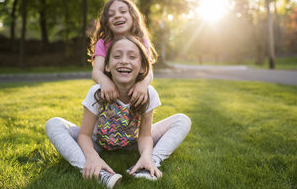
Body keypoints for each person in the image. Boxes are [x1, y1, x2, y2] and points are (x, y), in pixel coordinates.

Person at [45, 37, 191, 188]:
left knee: (182, 120)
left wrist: (146, 155)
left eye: (132, 56)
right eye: (117, 56)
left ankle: (148, 165)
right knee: (54, 123)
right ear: (107, 66)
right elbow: (84, 135)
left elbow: (145, 135)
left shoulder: (148, 94)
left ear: (142, 67)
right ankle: (99, 172)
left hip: (132, 142)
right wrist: (92, 156)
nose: (124, 61)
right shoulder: (97, 92)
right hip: (98, 142)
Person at [88, 0, 157, 108]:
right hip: (109, 100)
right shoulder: (103, 43)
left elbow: (148, 71)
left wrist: (143, 84)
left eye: (123, 11)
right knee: (55, 123)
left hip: (133, 100)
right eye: (111, 15)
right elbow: (96, 71)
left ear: (133, 16)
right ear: (107, 22)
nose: (117, 16)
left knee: (182, 120)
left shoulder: (141, 42)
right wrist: (105, 81)